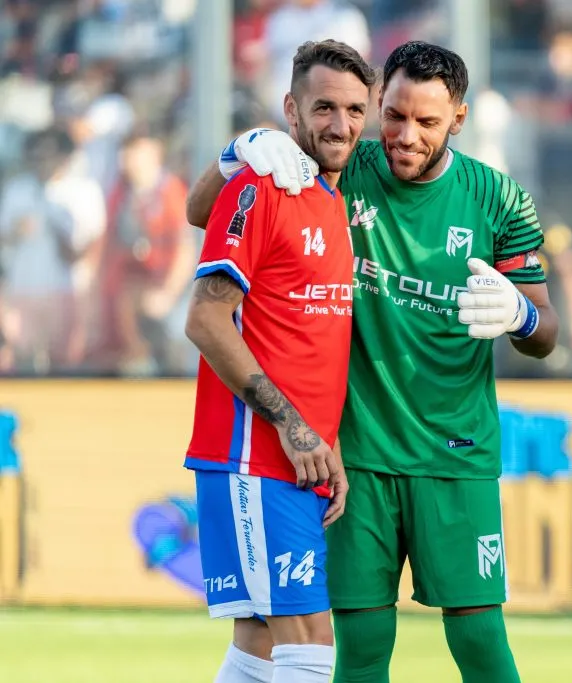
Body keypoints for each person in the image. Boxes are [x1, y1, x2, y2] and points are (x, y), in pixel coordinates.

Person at [185, 41, 559, 683]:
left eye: (427, 122)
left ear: (459, 119)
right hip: (353, 453)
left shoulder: (498, 198)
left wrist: (522, 316)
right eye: (394, 116)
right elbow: (208, 214)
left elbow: (545, 332)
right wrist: (240, 150)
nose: (405, 136)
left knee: (479, 638)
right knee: (357, 644)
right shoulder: (338, 163)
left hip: (456, 450)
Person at [183, 39, 374, 683]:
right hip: (254, 454)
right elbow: (205, 319)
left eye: (354, 110)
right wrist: (293, 426)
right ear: (291, 110)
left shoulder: (333, 200)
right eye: (324, 108)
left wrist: (325, 438)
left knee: (259, 645)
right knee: (310, 643)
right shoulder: (261, 186)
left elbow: (307, 337)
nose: (340, 125)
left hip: (296, 455)